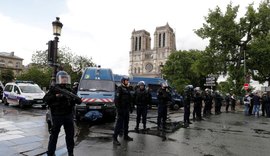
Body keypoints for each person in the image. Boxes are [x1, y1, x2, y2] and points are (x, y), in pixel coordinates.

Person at [43, 71, 82, 156]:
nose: (64, 80)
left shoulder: (69, 90)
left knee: (70, 135)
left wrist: (76, 99)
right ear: (58, 79)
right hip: (57, 116)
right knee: (54, 136)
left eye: (65, 78)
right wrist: (55, 96)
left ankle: (70, 152)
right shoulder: (54, 89)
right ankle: (50, 153)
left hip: (68, 115)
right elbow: (45, 100)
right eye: (62, 78)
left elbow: (78, 100)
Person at [113, 76, 133, 146]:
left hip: (126, 109)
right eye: (126, 80)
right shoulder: (119, 88)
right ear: (123, 81)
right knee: (119, 125)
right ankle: (115, 139)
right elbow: (116, 100)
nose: (127, 82)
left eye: (127, 80)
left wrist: (131, 107)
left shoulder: (127, 89)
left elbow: (129, 99)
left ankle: (126, 136)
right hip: (121, 109)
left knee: (126, 124)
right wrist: (119, 109)